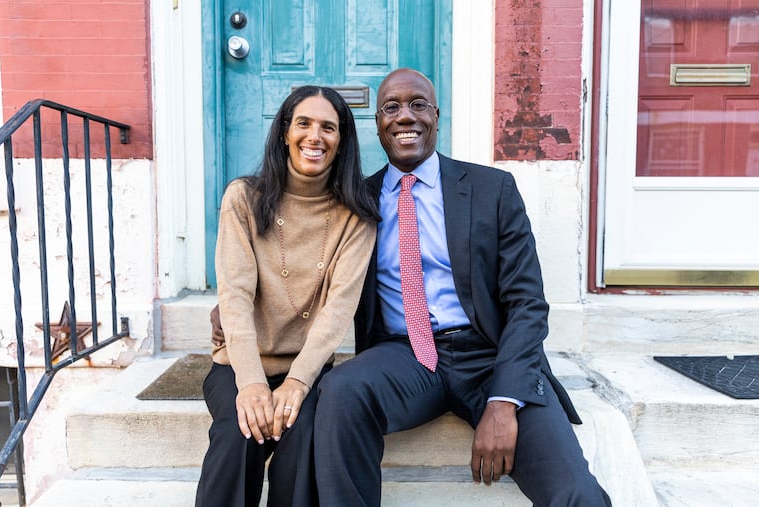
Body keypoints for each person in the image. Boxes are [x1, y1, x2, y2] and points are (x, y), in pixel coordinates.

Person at [211, 69, 610, 506]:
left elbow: (527, 304)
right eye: (391, 108)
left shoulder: (491, 189)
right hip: (404, 357)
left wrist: (503, 400)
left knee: (576, 492)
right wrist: (234, 318)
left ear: (436, 116)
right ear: (378, 124)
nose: (405, 117)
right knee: (339, 392)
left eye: (418, 105)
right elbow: (305, 272)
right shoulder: (356, 203)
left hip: (489, 356)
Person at [195, 85, 379, 507]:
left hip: (308, 370)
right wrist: (252, 384)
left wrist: (297, 381)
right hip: (240, 366)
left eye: (328, 128)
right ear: (284, 132)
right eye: (304, 124)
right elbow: (235, 296)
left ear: (342, 142)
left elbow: (337, 311)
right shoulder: (243, 198)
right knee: (239, 432)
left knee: (304, 445)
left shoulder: (357, 215)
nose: (315, 137)